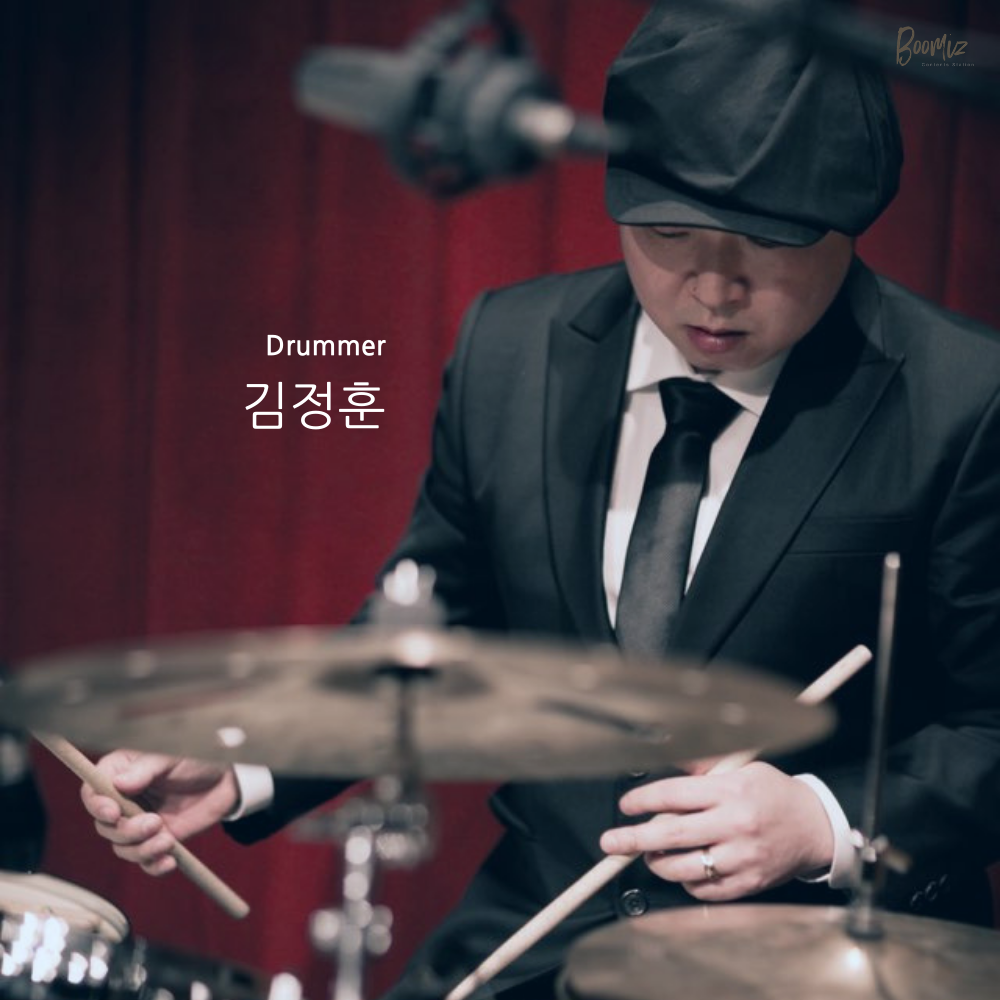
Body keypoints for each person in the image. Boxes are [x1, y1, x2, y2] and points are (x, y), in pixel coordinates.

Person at [80, 5, 1000, 999]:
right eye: (667, 234)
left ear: (847, 224)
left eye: (763, 244)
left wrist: (821, 821)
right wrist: (245, 759)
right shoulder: (511, 349)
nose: (712, 287)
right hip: (540, 931)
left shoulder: (963, 398)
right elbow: (436, 628)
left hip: (819, 950)